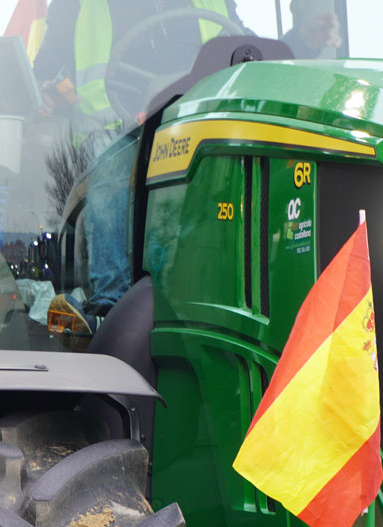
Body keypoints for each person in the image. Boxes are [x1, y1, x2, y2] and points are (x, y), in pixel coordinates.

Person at [34, 0, 243, 342]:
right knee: (112, 170)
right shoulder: (77, 5)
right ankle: (110, 312)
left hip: (199, 121)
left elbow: (245, 49)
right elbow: (44, 70)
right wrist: (48, 89)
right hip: (113, 126)